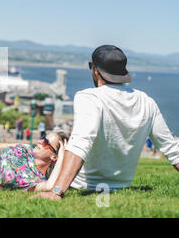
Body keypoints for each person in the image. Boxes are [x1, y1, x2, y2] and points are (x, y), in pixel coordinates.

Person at [32, 45, 179, 200]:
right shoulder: (147, 102)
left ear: (95, 70)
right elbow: (172, 149)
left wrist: (57, 191)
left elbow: (81, 142)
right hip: (121, 186)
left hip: (81, 185)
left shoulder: (89, 97)